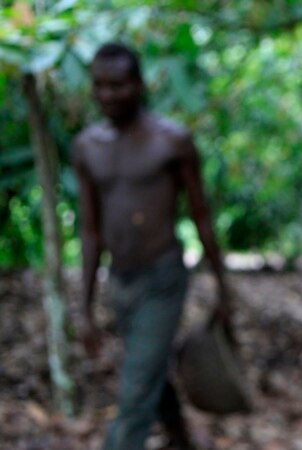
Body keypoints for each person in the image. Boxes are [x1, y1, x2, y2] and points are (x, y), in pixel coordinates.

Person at [72, 43, 231, 450]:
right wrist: (85, 307)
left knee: (135, 392)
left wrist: (223, 289)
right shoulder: (87, 147)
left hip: (162, 278)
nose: (108, 95)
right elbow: (90, 231)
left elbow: (201, 216)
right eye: (99, 86)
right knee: (149, 373)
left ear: (141, 85)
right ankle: (182, 438)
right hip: (120, 282)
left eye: (119, 85)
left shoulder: (172, 141)